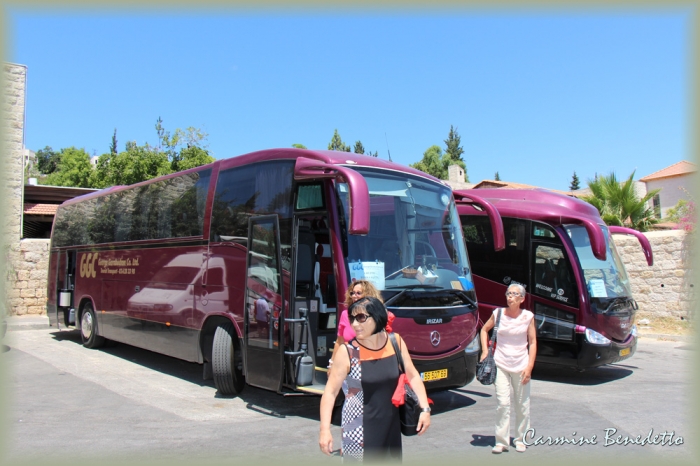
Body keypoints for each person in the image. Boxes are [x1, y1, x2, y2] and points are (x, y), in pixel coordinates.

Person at [319, 297, 431, 462]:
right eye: (352, 319)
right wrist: (324, 430)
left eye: (361, 318)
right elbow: (330, 392)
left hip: (390, 426)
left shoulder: (395, 342)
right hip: (357, 428)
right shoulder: (348, 352)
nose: (355, 324)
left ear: (377, 317)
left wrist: (425, 409)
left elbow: (413, 375)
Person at [479, 283, 537, 454]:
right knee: (503, 403)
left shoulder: (527, 316)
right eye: (508, 293)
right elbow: (484, 330)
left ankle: (520, 439)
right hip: (501, 364)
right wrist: (484, 351)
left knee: (522, 405)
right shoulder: (498, 314)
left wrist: (530, 366)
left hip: (521, 365)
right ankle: (501, 441)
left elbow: (533, 342)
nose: (510, 296)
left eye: (514, 294)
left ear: (522, 299)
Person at [328, 280, 394, 374]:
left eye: (359, 293)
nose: (355, 296)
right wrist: (331, 364)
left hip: (371, 365)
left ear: (368, 295)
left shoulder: (376, 316)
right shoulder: (345, 315)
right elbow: (339, 342)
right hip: (347, 366)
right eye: (352, 293)